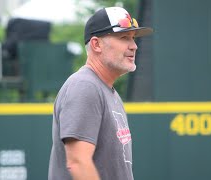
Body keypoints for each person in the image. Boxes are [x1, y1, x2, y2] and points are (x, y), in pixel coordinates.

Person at [48, 6, 153, 180]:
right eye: (124, 37)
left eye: (133, 38)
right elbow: (78, 162)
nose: (134, 46)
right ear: (96, 44)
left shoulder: (106, 91)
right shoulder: (84, 86)